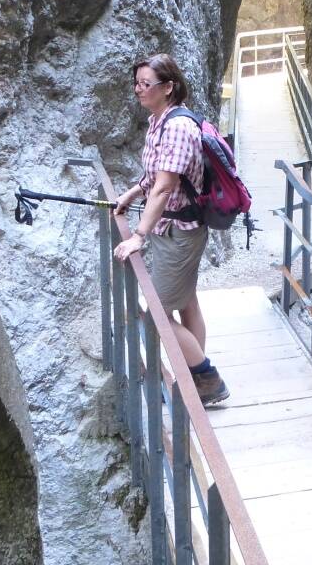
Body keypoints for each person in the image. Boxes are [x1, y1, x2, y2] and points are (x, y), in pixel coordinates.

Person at [112, 53, 229, 405]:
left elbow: (164, 187)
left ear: (169, 87)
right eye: (137, 83)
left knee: (157, 315)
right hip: (172, 229)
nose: (138, 90)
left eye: (146, 84)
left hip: (181, 232)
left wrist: (137, 236)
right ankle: (192, 378)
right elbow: (154, 177)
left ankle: (208, 381)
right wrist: (133, 192)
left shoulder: (177, 127)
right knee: (186, 301)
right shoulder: (159, 120)